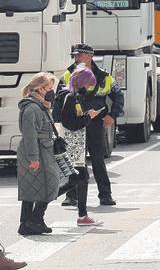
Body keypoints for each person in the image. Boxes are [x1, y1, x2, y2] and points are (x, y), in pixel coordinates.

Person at [60, 44, 124, 207]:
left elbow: (118, 96)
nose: (76, 58)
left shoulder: (104, 77)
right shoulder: (68, 74)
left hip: (95, 124)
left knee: (97, 160)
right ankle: (71, 195)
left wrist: (112, 115)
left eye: (79, 55)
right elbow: (60, 99)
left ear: (89, 56)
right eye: (74, 56)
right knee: (75, 160)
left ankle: (105, 195)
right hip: (75, 125)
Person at [17, 72, 62, 236]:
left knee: (32, 188)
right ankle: (34, 220)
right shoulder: (32, 108)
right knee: (48, 186)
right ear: (40, 89)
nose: (51, 91)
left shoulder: (40, 106)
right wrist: (33, 158)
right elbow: (29, 136)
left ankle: (30, 223)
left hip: (44, 150)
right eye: (49, 88)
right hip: (37, 152)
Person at [57, 65, 103, 226]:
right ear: (81, 82)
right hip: (72, 147)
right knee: (77, 179)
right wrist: (88, 117)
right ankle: (43, 201)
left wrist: (86, 116)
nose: (88, 87)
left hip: (76, 147)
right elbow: (70, 123)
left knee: (80, 179)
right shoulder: (70, 98)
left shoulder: (75, 97)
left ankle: (82, 215)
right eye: (87, 84)